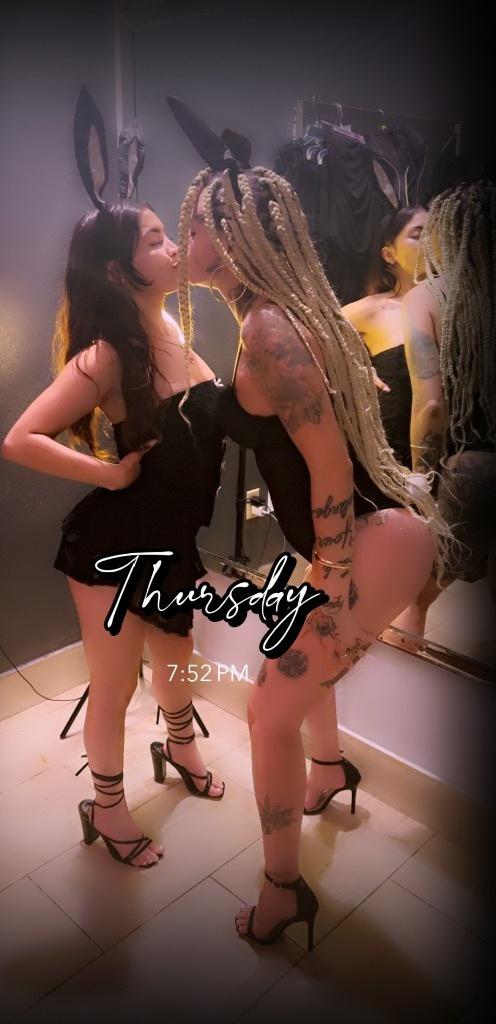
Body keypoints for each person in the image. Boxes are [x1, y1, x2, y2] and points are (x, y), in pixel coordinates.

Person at [168, 96, 450, 944]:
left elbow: (327, 468)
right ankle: (328, 770)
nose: (185, 238)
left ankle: (281, 892)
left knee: (266, 713)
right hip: (358, 533)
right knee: (289, 666)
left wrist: (327, 576)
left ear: (233, 235)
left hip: (370, 538)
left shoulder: (269, 327)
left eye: (197, 223)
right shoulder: (273, 315)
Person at [2, 92, 226, 870]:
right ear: (115, 267)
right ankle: (106, 807)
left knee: (177, 658)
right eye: (156, 239)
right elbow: (19, 438)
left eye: (169, 236)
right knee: (116, 684)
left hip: (171, 539)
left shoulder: (170, 325)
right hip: (114, 548)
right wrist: (105, 470)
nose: (173, 248)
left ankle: (182, 750)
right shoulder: (103, 354)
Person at [395, 180, 496, 634]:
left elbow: (431, 406)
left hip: (474, 469)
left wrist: (423, 488)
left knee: (416, 597)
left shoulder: (428, 296)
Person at [342, 207, 428, 468]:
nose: (430, 242)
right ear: (389, 254)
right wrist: (355, 369)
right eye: (418, 235)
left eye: (436, 234)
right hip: (395, 453)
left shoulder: (459, 304)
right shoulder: (372, 309)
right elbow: (307, 338)